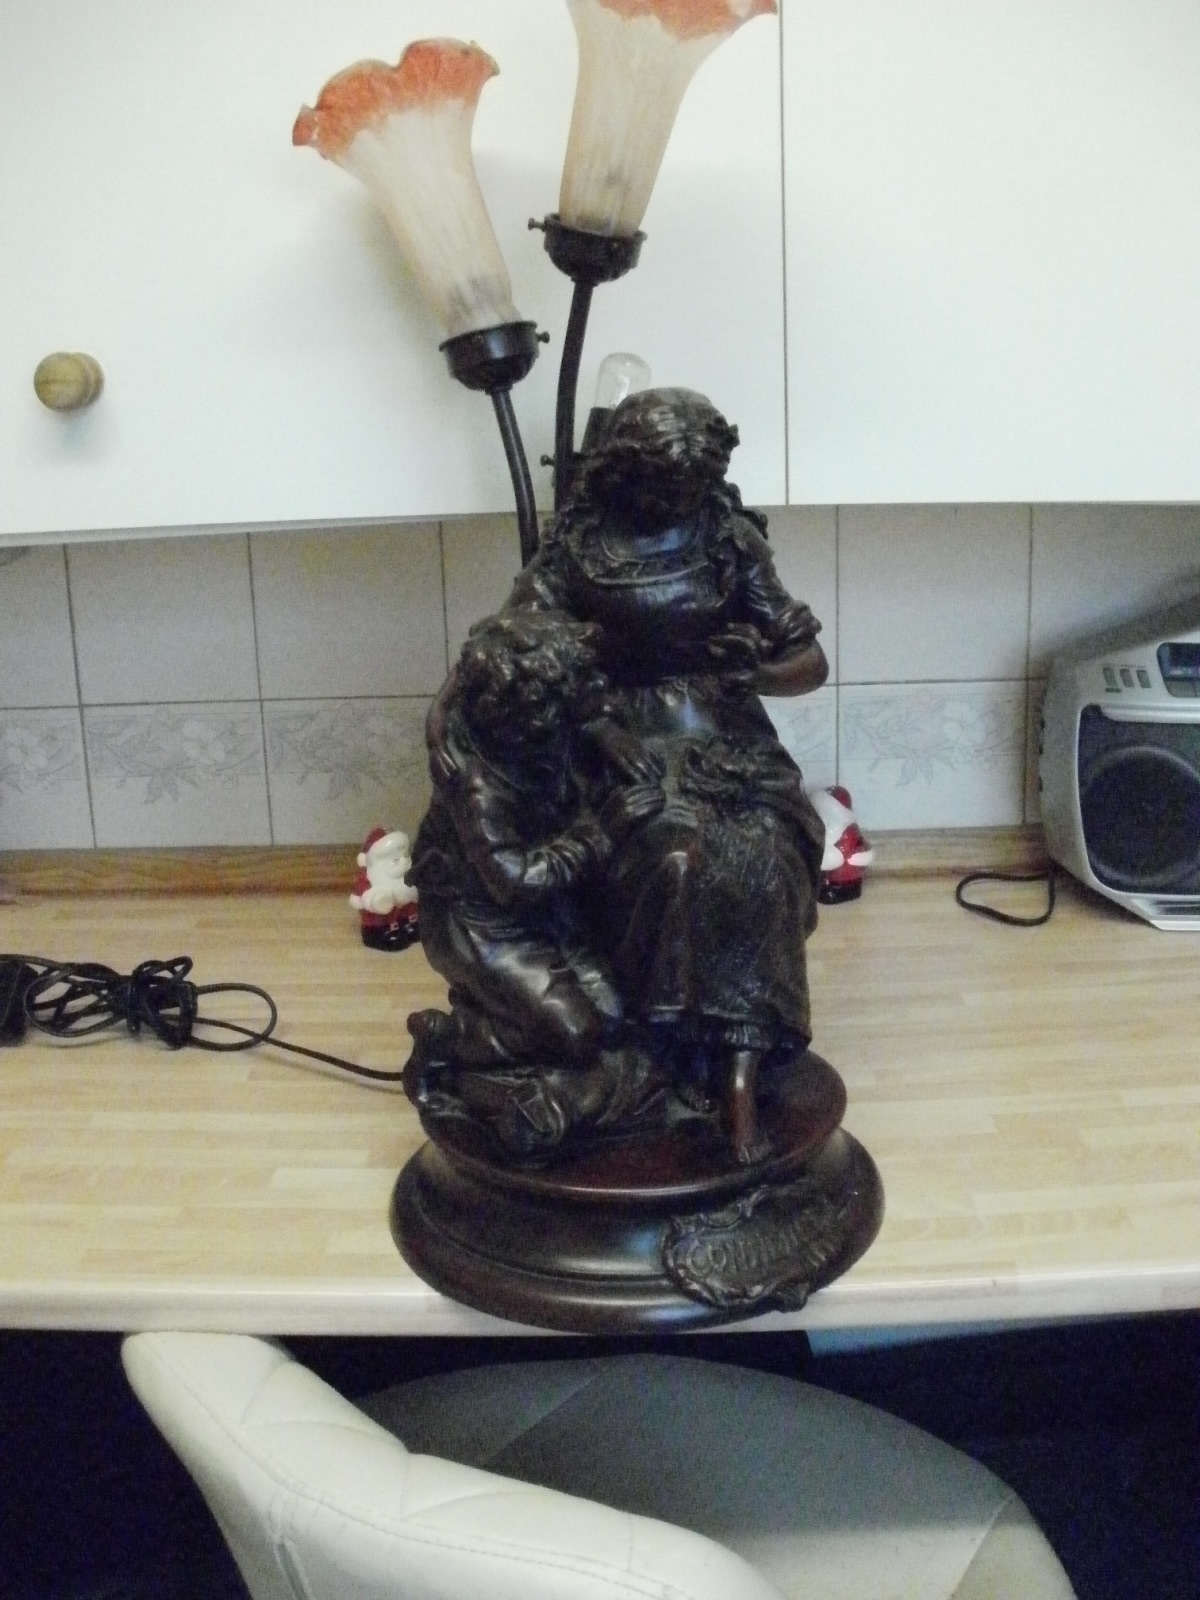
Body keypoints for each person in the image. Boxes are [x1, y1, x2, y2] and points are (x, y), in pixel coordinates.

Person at [505, 387, 828, 1161]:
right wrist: (597, 726)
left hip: (725, 733)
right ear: (628, 473)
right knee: (673, 855)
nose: (679, 503)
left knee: (765, 850)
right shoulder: (579, 546)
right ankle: (661, 1058)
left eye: (692, 488)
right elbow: (519, 649)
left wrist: (760, 672)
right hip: (615, 740)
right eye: (665, 488)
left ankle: (743, 1062)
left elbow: (809, 661)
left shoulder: (726, 540)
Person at [405, 610, 656, 1153]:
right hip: (477, 926)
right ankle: (454, 1041)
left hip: (541, 915)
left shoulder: (534, 734)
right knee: (577, 1034)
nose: (568, 723)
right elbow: (514, 882)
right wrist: (599, 833)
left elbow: (465, 678)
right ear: (522, 718)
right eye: (557, 714)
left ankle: (511, 1031)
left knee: (617, 1017)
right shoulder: (475, 783)